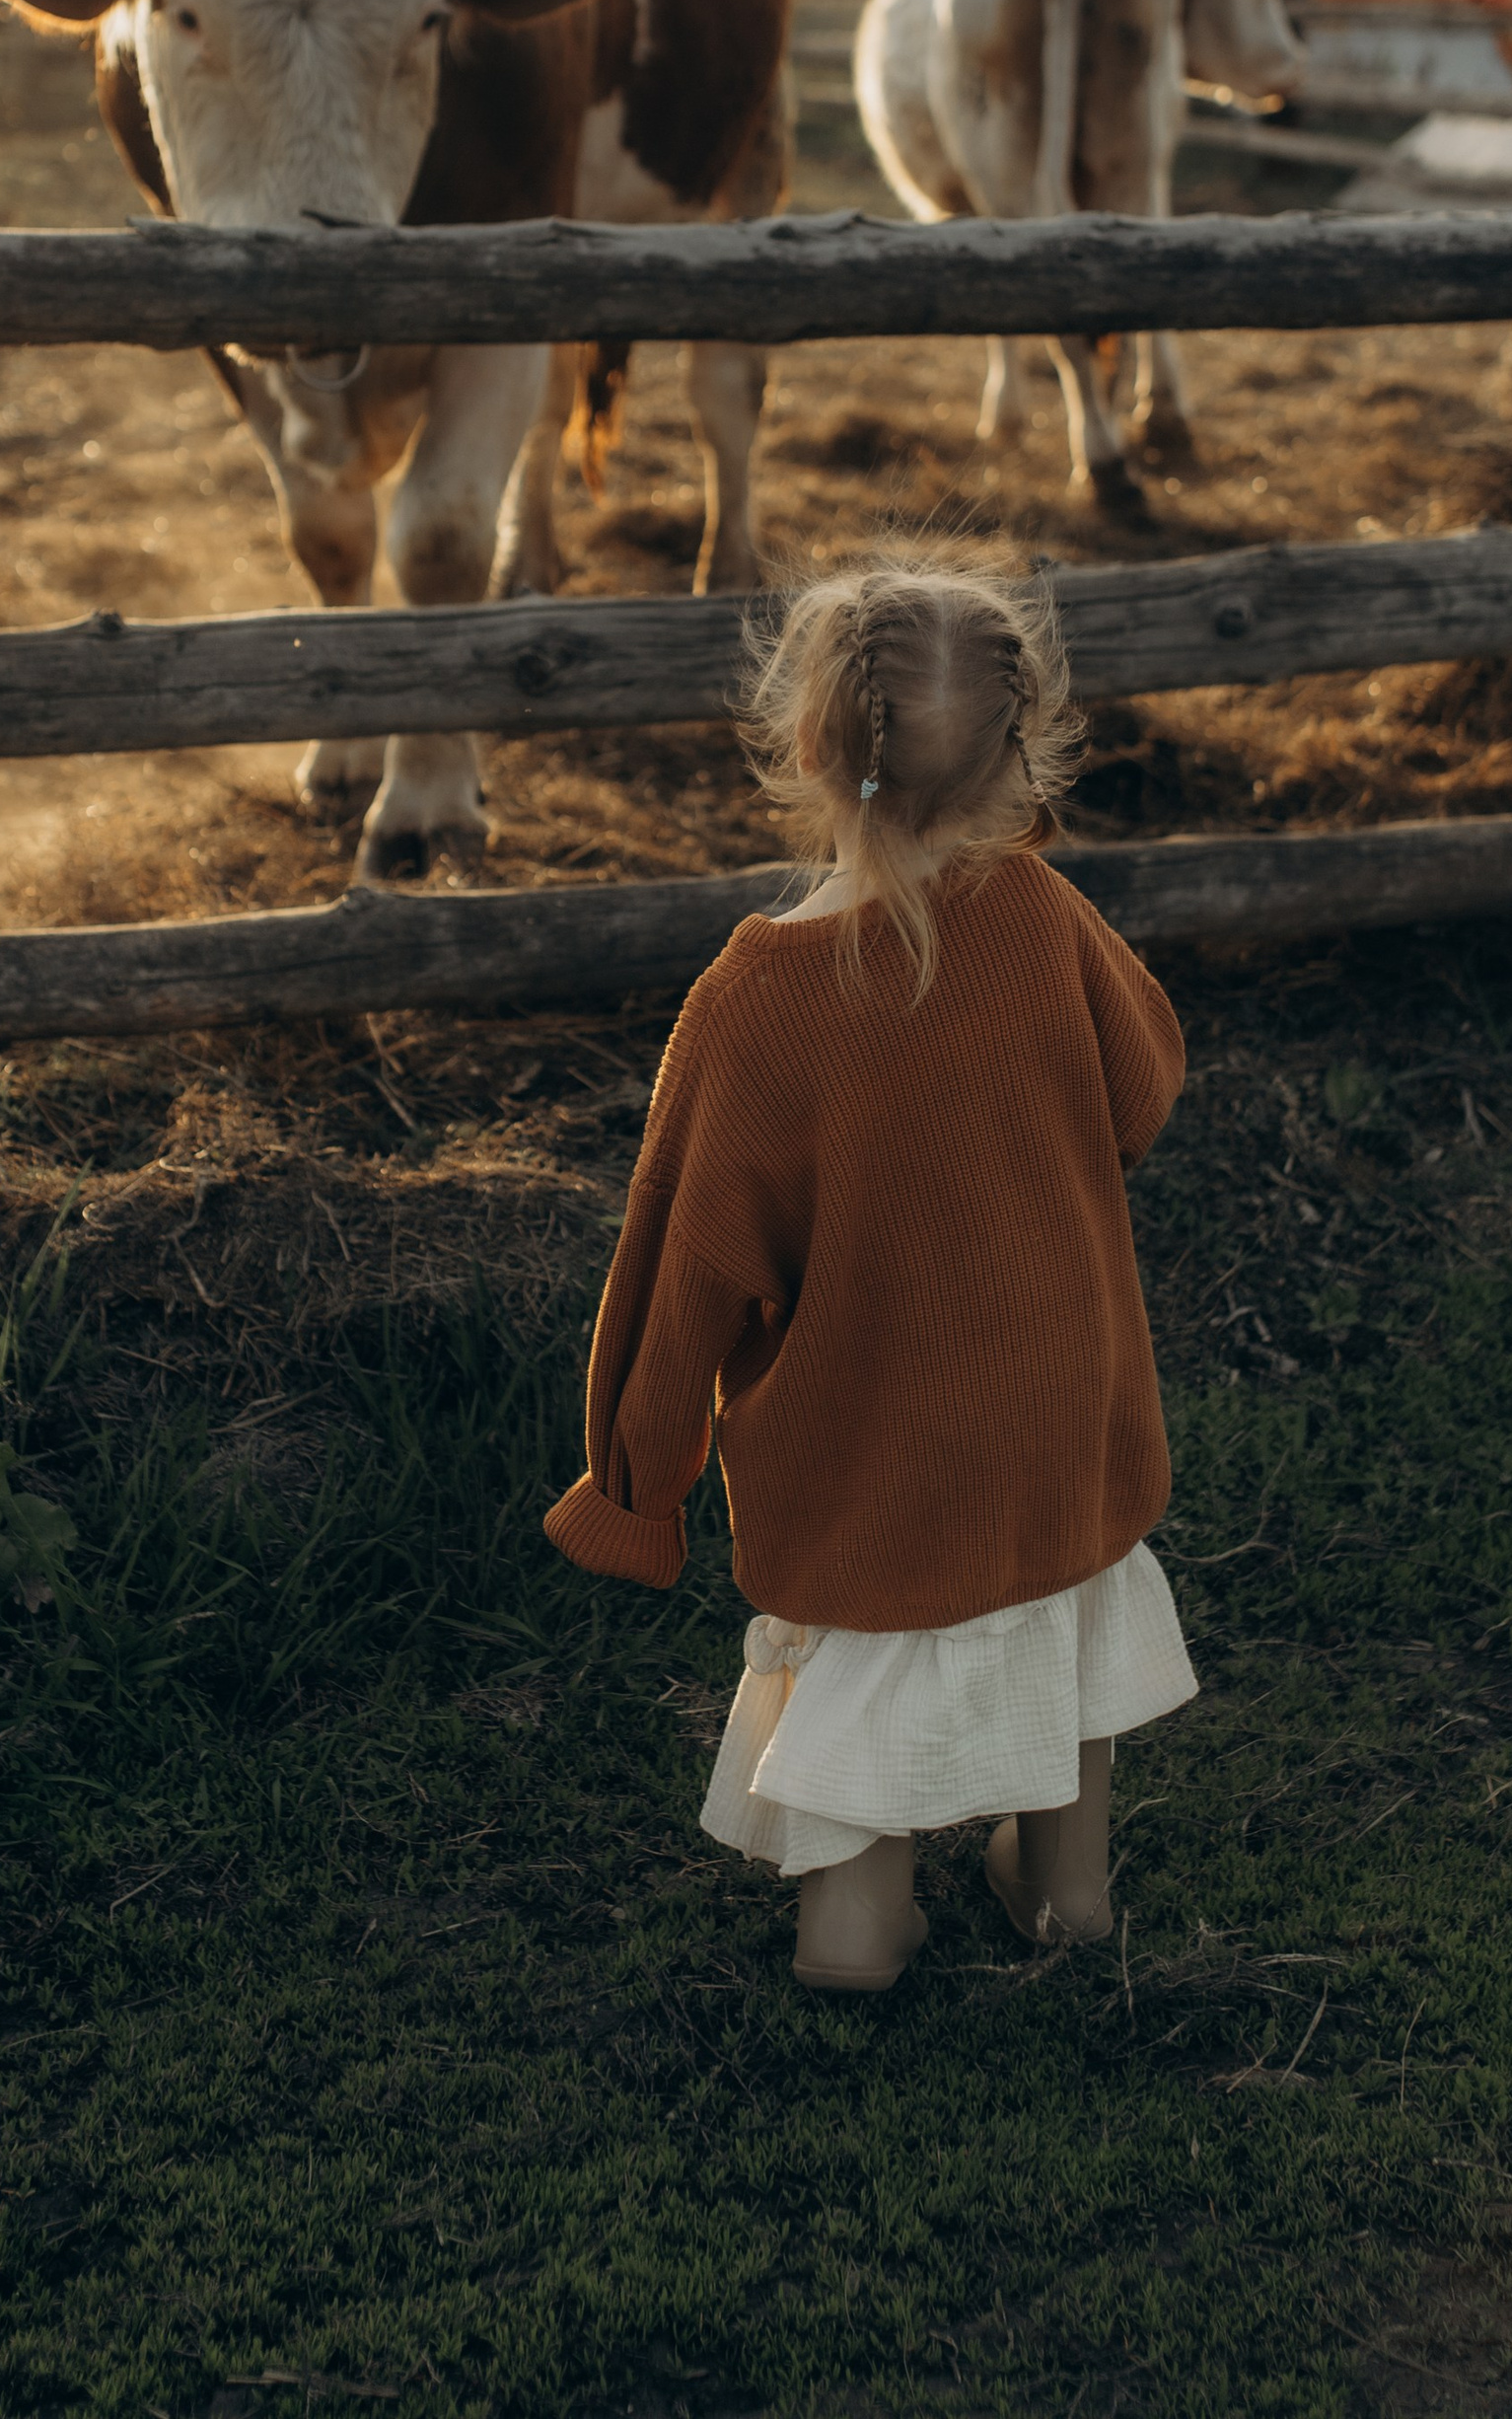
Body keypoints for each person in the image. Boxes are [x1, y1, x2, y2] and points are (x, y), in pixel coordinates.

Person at [543, 539, 1195, 1993]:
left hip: (870, 1463)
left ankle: (854, 1926)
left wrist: (633, 1485)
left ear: (807, 745)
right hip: (1061, 1412)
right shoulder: (1042, 914)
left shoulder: (751, 1005)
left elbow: (678, 1275)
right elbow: (1145, 1084)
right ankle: (1066, 1886)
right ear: (1024, 752)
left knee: (869, 1652)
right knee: (1064, 1600)